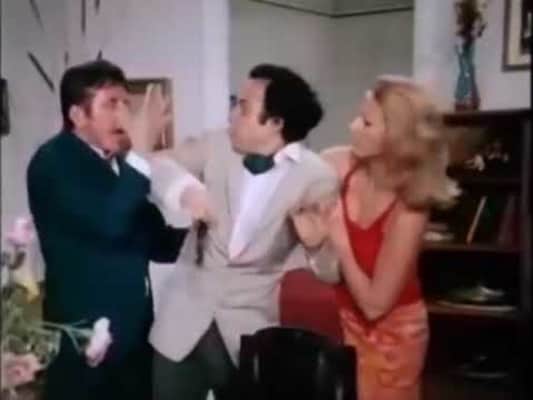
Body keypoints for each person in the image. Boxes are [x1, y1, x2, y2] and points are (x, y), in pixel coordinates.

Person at [147, 63, 338, 399]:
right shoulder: (216, 145)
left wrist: (316, 245)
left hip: (246, 331)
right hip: (180, 324)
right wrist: (184, 191)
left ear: (275, 123)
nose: (232, 114)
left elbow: (331, 271)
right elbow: (160, 165)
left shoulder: (317, 177)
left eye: (243, 107)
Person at [27, 60, 193, 400]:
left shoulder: (119, 164)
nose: (123, 115)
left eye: (126, 105)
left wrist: (209, 232)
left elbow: (157, 243)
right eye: (110, 104)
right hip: (85, 338)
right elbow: (110, 223)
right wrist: (141, 157)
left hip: (134, 336)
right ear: (77, 115)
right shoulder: (53, 162)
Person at [293, 77, 459, 400]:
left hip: (393, 338)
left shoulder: (410, 206)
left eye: (366, 122)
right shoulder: (338, 164)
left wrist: (340, 239)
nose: (352, 126)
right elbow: (286, 181)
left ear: (395, 137)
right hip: (340, 322)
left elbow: (374, 306)